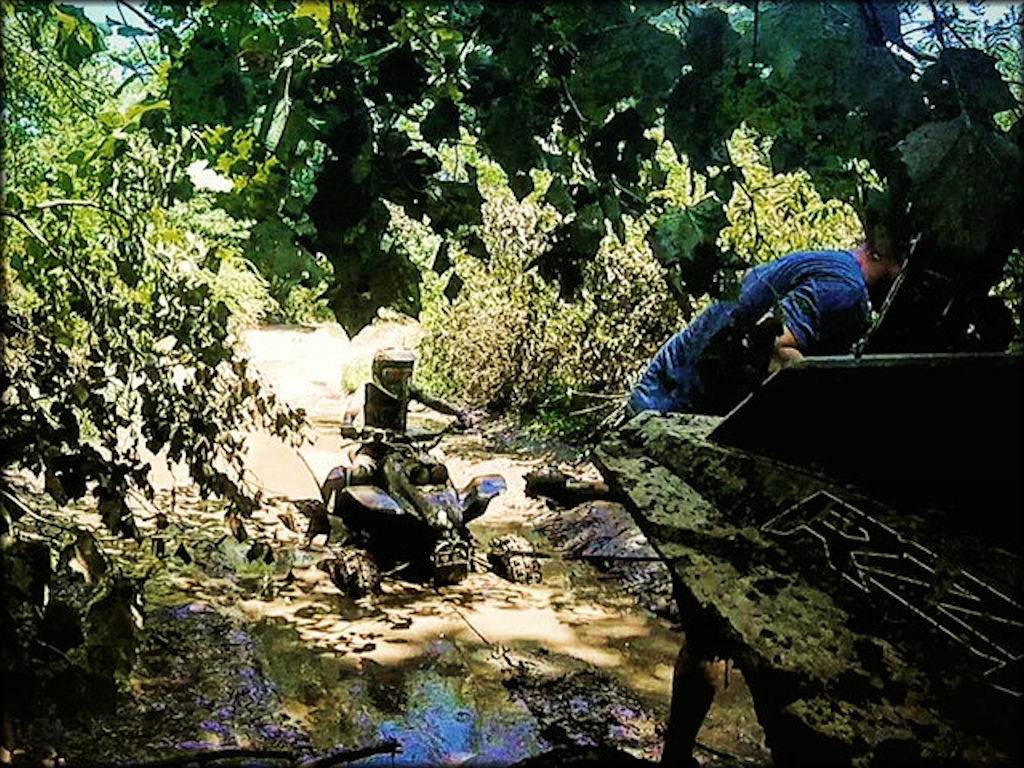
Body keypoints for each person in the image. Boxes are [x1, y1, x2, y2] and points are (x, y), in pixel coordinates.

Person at [626, 242, 905, 417]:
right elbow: (778, 348)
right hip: (679, 407)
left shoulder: (828, 261)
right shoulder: (847, 289)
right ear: (882, 252)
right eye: (902, 261)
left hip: (664, 382)